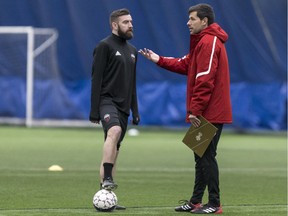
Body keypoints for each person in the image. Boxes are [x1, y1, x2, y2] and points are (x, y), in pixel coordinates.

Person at [139, 3, 232, 214]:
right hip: (205, 111)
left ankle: (214, 204)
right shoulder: (202, 42)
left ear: (204, 21)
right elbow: (186, 64)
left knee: (206, 156)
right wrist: (158, 59)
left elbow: (204, 79)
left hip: (210, 111)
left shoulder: (209, 42)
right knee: (199, 155)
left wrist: (195, 110)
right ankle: (195, 201)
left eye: (192, 19)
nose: (187, 23)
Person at [89, 8, 140, 210]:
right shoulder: (104, 46)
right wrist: (94, 111)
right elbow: (96, 79)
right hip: (106, 101)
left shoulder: (133, 51)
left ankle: (106, 197)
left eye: (131, 21)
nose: (130, 25)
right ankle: (108, 177)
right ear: (114, 25)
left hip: (124, 106)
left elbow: (132, 84)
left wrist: (135, 110)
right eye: (126, 22)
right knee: (115, 131)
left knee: (114, 150)